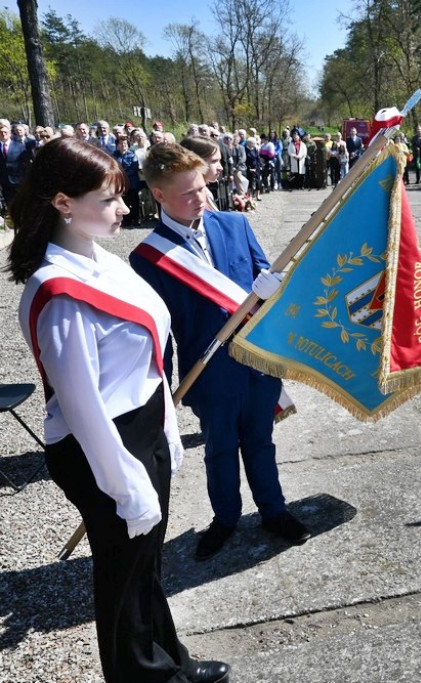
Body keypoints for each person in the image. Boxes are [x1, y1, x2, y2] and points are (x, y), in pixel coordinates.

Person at [8, 137, 230, 682]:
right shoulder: (57, 290)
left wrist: (167, 430)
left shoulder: (98, 258)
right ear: (63, 203)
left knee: (147, 564)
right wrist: (124, 482)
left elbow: (153, 357)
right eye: (109, 200)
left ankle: (167, 661)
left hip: (143, 427)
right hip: (103, 448)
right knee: (123, 574)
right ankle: (140, 675)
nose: (125, 210)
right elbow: (82, 408)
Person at [131, 143, 310, 561]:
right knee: (220, 450)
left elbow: (268, 282)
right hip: (208, 374)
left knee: (262, 443)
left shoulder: (234, 224)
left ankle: (274, 511)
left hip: (256, 361)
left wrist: (271, 290)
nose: (201, 198)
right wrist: (160, 397)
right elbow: (156, 334)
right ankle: (225, 519)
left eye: (202, 187)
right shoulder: (147, 258)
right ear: (158, 195)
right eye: (188, 193)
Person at [180, 135, 224, 211]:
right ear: (194, 161)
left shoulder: (205, 192)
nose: (220, 168)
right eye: (214, 161)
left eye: (219, 161)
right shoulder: (191, 200)